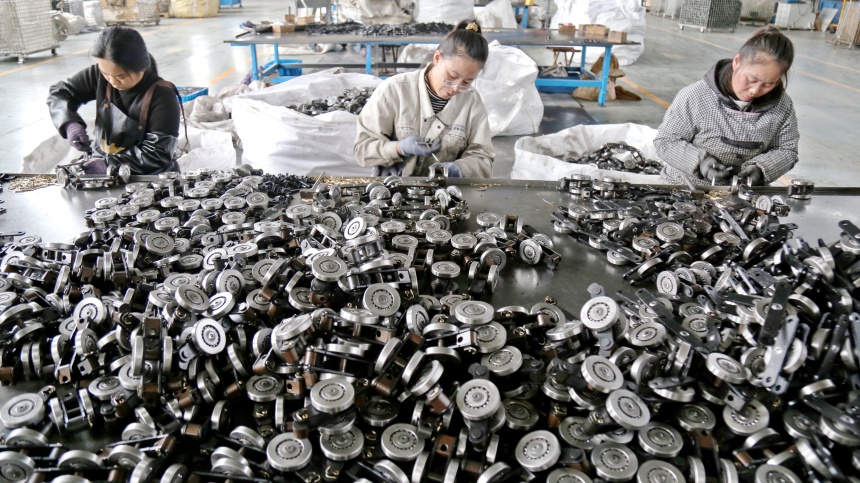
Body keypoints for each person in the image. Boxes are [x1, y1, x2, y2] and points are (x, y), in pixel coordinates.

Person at [654, 26, 798, 186]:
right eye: (751, 79)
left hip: (745, 192)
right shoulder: (695, 96)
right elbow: (666, 141)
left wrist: (761, 169)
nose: (755, 90)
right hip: (684, 186)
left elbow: (787, 149)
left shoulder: (782, 105)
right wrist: (701, 163)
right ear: (736, 62)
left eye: (768, 84)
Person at [354, 20, 494, 178]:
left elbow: (483, 157)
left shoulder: (472, 102)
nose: (456, 88)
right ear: (437, 58)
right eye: (452, 76)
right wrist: (400, 148)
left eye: (467, 82)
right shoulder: (394, 91)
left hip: (445, 190)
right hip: (393, 188)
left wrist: (459, 169)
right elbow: (362, 150)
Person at [47, 27, 182, 175]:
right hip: (102, 166)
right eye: (105, 74)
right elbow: (60, 93)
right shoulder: (99, 76)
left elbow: (157, 155)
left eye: (121, 76)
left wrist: (108, 165)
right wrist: (69, 123)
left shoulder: (162, 95)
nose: (112, 82)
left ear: (142, 68)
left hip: (149, 176)